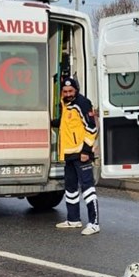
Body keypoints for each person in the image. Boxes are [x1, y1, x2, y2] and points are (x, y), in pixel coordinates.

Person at [53, 78, 100, 235]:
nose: (68, 94)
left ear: (76, 90)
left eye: (70, 91)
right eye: (65, 92)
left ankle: (94, 223)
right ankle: (73, 219)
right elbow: (68, 124)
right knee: (70, 188)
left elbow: (92, 128)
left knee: (87, 188)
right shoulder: (65, 104)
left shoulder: (83, 103)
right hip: (68, 154)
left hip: (81, 154)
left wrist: (86, 151)